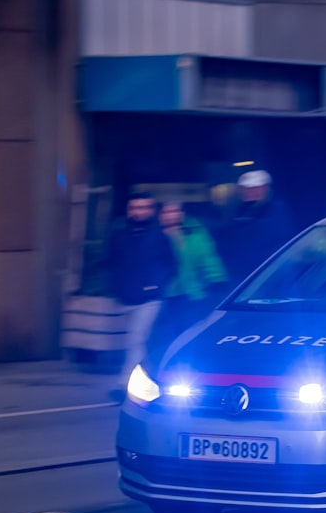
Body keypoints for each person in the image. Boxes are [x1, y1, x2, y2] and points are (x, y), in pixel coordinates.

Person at [105, 191, 177, 397]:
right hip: (126, 297)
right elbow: (111, 263)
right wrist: (116, 287)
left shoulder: (158, 237)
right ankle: (145, 381)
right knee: (134, 340)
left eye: (144, 207)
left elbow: (170, 264)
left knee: (135, 340)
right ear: (129, 210)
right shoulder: (119, 235)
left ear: (151, 211)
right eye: (135, 207)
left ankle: (123, 383)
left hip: (150, 298)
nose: (139, 212)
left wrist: (156, 286)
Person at [150, 200, 230, 352]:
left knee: (187, 334)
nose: (172, 216)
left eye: (175, 211)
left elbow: (208, 257)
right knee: (162, 337)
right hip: (161, 295)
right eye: (167, 212)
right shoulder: (154, 235)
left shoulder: (195, 232)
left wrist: (217, 278)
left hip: (190, 293)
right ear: (160, 215)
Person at [214, 169, 297, 285]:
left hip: (273, 275)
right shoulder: (238, 212)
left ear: (266, 188)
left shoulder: (278, 210)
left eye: (255, 189)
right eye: (246, 189)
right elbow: (230, 243)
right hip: (243, 278)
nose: (250, 193)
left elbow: (281, 242)